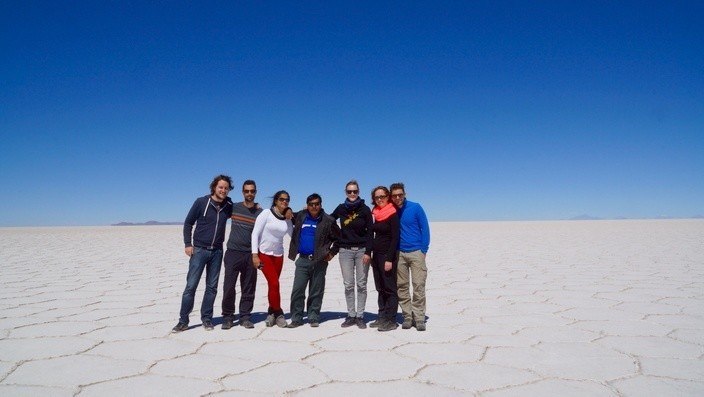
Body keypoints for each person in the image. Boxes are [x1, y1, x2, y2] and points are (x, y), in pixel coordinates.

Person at [173, 175, 234, 332]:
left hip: (217, 251)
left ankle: (206, 318)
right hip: (199, 250)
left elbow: (242, 212)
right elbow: (188, 223)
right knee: (191, 286)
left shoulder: (228, 204)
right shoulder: (201, 202)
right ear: (214, 187)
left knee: (212, 287)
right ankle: (183, 320)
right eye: (220, 187)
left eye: (226, 188)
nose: (223, 190)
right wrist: (188, 244)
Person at [287, 193, 340, 328]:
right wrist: (288, 210)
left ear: (321, 205)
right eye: (311, 204)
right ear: (307, 205)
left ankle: (313, 316)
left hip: (319, 261)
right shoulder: (301, 216)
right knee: (298, 290)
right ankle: (297, 318)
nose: (314, 206)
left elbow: (340, 238)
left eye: (316, 204)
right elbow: (285, 213)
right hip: (303, 260)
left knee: (316, 291)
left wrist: (332, 253)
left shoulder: (328, 220)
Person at [221, 180, 262, 330]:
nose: (249, 193)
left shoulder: (260, 213)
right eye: (246, 191)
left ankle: (245, 316)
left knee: (248, 286)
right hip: (233, 252)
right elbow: (221, 203)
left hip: (250, 254)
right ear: (243, 192)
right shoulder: (234, 207)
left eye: (252, 191)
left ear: (255, 192)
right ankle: (228, 316)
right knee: (229, 286)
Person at [331, 180, 373, 329]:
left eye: (355, 191)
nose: (352, 194)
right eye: (349, 191)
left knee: (361, 284)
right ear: (346, 192)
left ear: (359, 192)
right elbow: (329, 220)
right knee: (348, 284)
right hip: (345, 252)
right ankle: (351, 315)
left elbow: (370, 233)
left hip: (362, 251)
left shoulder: (365, 209)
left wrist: (368, 251)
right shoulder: (341, 208)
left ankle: (360, 316)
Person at [390, 182, 430, 331]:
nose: (398, 197)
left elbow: (424, 228)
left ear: (404, 194)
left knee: (419, 285)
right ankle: (407, 316)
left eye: (400, 194)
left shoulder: (415, 207)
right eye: (394, 195)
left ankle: (419, 318)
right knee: (402, 286)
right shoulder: (391, 210)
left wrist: (423, 250)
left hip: (416, 252)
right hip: (399, 253)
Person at [251, 190, 293, 328]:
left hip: (278, 256)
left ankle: (271, 313)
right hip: (264, 254)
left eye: (287, 200)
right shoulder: (266, 214)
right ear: (276, 200)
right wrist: (255, 255)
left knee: (272, 285)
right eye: (281, 199)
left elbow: (293, 235)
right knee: (274, 283)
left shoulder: (287, 219)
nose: (284, 202)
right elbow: (255, 233)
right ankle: (279, 313)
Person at [368, 186, 400, 332]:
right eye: (377, 197)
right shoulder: (376, 213)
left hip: (387, 256)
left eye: (382, 196)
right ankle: (382, 316)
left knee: (390, 288)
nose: (380, 199)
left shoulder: (392, 213)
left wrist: (389, 258)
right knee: (380, 287)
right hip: (377, 255)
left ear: (387, 197)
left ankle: (391, 319)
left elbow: (395, 238)